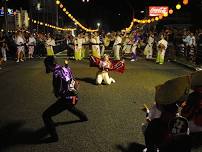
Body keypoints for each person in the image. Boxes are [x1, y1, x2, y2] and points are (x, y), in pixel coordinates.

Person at [42, 56, 88, 142]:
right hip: (75, 98)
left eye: (46, 65)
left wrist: (57, 93)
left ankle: (54, 137)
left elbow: (60, 92)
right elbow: (72, 80)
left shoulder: (56, 74)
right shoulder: (65, 67)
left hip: (68, 99)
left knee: (46, 115)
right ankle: (84, 117)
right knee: (70, 106)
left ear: (49, 65)